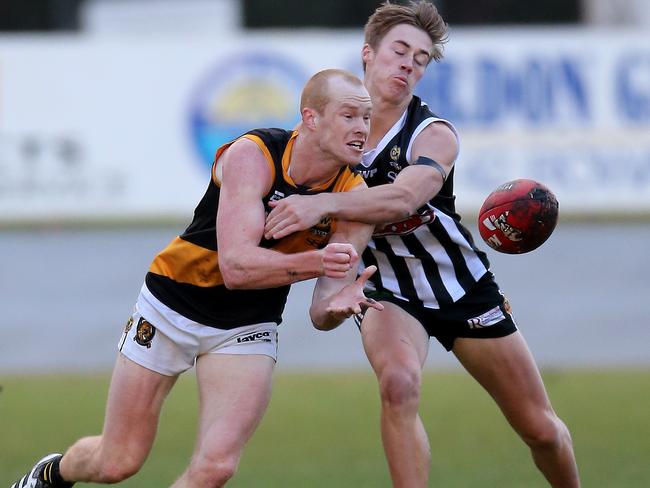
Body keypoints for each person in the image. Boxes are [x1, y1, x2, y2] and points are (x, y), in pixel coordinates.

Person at [11, 68, 382, 488]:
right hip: (171, 304)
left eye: (366, 119)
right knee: (117, 462)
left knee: (216, 467)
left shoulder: (356, 199)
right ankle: (50, 474)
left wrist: (336, 308)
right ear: (311, 118)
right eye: (349, 116)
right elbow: (237, 267)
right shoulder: (253, 154)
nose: (361, 129)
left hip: (247, 325)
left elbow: (322, 309)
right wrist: (320, 262)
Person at [263, 2, 581, 487]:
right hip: (384, 291)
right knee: (398, 385)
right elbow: (320, 313)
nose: (409, 63)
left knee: (541, 430)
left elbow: (407, 196)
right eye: (400, 50)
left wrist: (320, 205)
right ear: (367, 55)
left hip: (460, 286)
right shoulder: (328, 137)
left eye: (422, 57)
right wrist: (328, 299)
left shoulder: (432, 134)